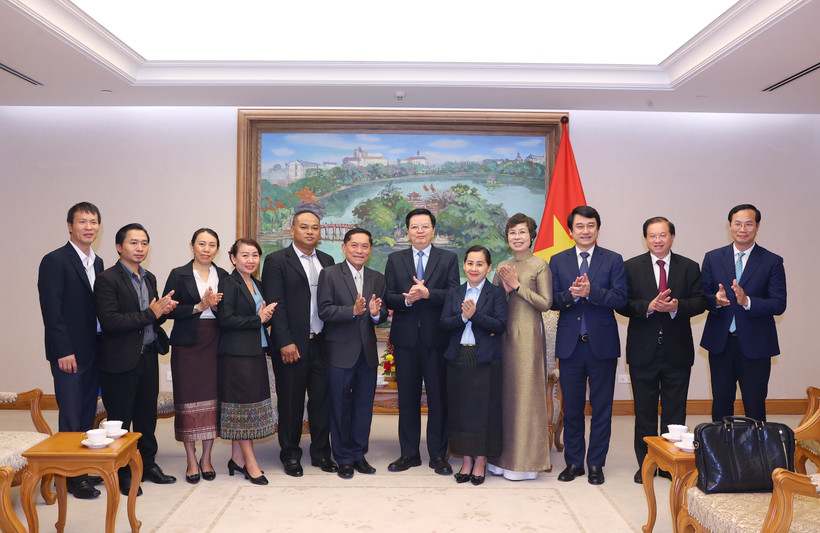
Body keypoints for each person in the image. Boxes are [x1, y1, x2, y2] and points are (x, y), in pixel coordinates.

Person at [617, 217, 706, 484]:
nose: (657, 240)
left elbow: (701, 301)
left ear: (672, 237)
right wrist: (649, 306)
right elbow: (622, 303)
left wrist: (677, 307)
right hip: (642, 350)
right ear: (645, 238)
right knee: (644, 411)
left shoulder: (689, 267)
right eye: (652, 236)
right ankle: (645, 463)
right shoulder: (631, 267)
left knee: (674, 412)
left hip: (676, 350)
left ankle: (671, 465)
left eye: (663, 235)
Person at [95, 223, 179, 496]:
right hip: (119, 360)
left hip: (148, 357)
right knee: (120, 420)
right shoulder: (108, 279)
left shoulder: (150, 277)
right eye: (134, 243)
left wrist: (164, 310)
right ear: (119, 247)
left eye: (144, 243)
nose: (140, 248)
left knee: (146, 417)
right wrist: (152, 314)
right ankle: (122, 472)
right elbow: (110, 321)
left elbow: (152, 318)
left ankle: (148, 465)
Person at [549, 206, 626, 485]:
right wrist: (570, 295)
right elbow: (552, 301)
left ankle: (595, 463)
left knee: (601, 406)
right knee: (572, 408)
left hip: (602, 345)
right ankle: (573, 462)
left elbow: (620, 299)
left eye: (590, 225)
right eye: (580, 226)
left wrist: (592, 292)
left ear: (598, 229)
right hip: (570, 346)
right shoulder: (558, 260)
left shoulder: (613, 259)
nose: (585, 231)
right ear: (571, 231)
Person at [37, 202, 105, 499]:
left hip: (93, 350)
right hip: (69, 353)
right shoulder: (55, 260)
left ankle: (82, 467)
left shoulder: (98, 262)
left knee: (87, 412)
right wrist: (63, 350)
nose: (88, 227)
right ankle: (70, 476)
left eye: (93, 222)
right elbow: (52, 311)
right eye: (82, 222)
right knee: (71, 412)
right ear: (70, 226)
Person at [384, 208, 459, 476]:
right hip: (405, 340)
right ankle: (409, 454)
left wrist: (428, 294)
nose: (419, 231)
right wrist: (406, 299)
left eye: (424, 226)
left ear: (433, 231)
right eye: (414, 227)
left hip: (437, 339)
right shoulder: (395, 259)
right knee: (407, 399)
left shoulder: (448, 258)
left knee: (438, 398)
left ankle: (438, 455)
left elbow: (453, 294)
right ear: (407, 232)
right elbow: (388, 296)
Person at [262, 210, 336, 477]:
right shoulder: (277, 260)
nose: (309, 232)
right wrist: (284, 341)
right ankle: (290, 454)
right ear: (292, 229)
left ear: (320, 232)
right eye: (304, 227)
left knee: (321, 402)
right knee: (291, 403)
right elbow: (275, 304)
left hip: (323, 344)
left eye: (314, 228)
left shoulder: (327, 260)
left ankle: (320, 454)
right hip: (292, 345)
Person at [700, 204, 786, 422]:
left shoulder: (772, 261)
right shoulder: (712, 257)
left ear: (757, 226)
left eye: (749, 224)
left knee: (755, 404)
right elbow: (702, 296)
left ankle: (756, 455)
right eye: (737, 223)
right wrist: (715, 301)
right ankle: (720, 454)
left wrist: (747, 301)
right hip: (721, 342)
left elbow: (778, 304)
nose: (743, 229)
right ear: (730, 226)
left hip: (756, 344)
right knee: (721, 403)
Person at [317, 228, 388, 479]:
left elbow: (381, 316)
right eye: (354, 245)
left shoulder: (377, 278)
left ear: (370, 250)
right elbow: (324, 311)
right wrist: (354, 311)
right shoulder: (330, 274)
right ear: (344, 248)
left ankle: (359, 454)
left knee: (363, 406)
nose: (360, 250)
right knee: (338, 406)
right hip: (338, 352)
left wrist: (376, 313)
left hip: (367, 353)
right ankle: (343, 457)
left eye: (365, 246)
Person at [487, 213, 553, 481]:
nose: (517, 237)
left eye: (522, 232)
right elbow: (491, 302)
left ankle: (525, 462)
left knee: (525, 397)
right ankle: (500, 459)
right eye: (512, 232)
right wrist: (503, 289)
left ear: (531, 236)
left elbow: (546, 303)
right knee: (505, 397)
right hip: (503, 337)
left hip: (528, 338)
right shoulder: (502, 265)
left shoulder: (540, 265)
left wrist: (516, 287)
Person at [163, 228, 228, 484]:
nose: (206, 249)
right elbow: (167, 311)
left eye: (212, 244)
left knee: (213, 399)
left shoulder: (223, 275)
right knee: (188, 401)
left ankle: (207, 458)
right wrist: (198, 307)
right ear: (191, 246)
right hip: (188, 344)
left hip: (216, 341)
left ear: (217, 249)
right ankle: (191, 459)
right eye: (202, 243)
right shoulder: (178, 274)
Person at [440, 246, 507, 486]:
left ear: (489, 267)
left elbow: (500, 325)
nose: (474, 268)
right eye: (470, 263)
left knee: (483, 412)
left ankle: (481, 461)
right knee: (460, 411)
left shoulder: (496, 293)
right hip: (458, 358)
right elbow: (444, 323)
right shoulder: (454, 292)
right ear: (464, 266)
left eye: (480, 264)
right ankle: (465, 460)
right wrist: (462, 317)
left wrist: (475, 315)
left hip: (485, 361)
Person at [217, 238, 277, 485]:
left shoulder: (257, 284)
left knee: (249, 405)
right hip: (236, 356)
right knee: (243, 408)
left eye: (255, 255)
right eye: (245, 255)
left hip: (256, 351)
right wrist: (258, 319)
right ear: (233, 258)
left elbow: (261, 319)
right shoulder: (228, 283)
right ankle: (251, 464)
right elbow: (226, 320)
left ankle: (237, 459)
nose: (251, 260)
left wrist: (266, 317)